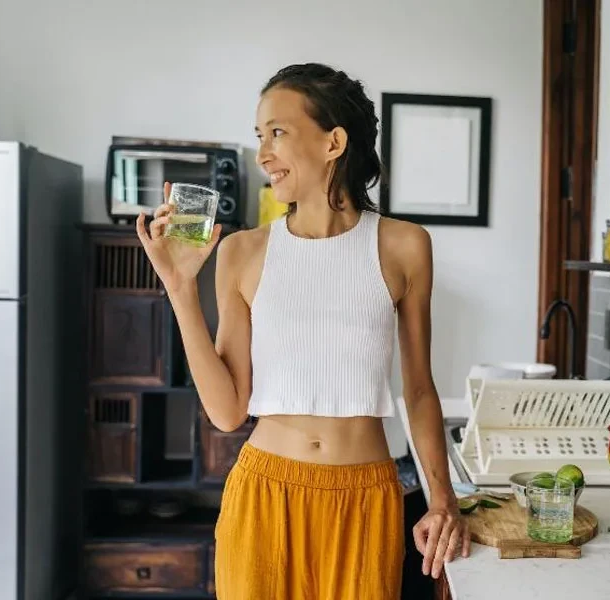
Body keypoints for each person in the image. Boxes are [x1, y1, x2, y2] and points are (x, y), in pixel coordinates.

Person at [136, 63, 469, 599]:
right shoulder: (240, 252)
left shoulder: (405, 246)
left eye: (278, 133)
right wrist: (178, 288)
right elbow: (227, 411)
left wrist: (441, 499)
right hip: (264, 496)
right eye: (259, 136)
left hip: (365, 500)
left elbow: (421, 389)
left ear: (334, 141)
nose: (264, 153)